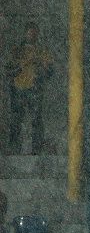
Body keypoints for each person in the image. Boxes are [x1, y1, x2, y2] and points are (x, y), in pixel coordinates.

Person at [6, 22, 53, 154]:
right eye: (30, 32)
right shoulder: (17, 51)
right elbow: (8, 71)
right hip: (18, 89)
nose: (32, 35)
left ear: (37, 34)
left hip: (34, 88)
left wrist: (44, 69)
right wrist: (20, 67)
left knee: (36, 119)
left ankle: (36, 150)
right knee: (16, 120)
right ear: (25, 33)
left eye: (34, 33)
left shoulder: (42, 51)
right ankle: (14, 150)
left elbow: (50, 71)